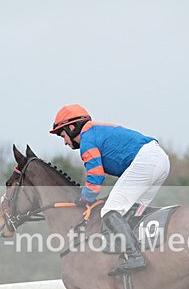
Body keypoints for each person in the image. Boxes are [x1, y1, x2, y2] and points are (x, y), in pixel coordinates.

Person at [49, 104, 171, 276]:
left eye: (63, 136)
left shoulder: (87, 140)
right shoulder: (94, 131)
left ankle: (134, 256)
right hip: (160, 160)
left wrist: (84, 198)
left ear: (71, 127)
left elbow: (95, 177)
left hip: (147, 161)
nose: (65, 142)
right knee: (133, 212)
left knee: (110, 210)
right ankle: (145, 254)